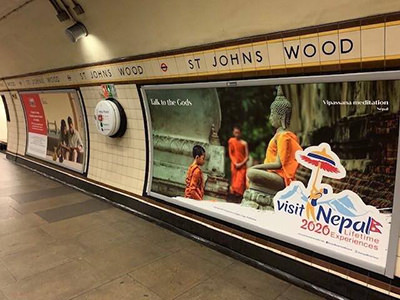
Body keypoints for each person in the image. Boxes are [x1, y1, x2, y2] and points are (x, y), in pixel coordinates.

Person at [228, 126, 249, 196]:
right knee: (234, 183)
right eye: (235, 132)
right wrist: (235, 163)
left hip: (242, 166)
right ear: (233, 133)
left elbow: (247, 157)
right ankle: (233, 198)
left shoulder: (244, 143)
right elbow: (231, 154)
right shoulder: (231, 141)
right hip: (234, 165)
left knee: (240, 183)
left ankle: (239, 197)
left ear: (241, 133)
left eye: (238, 133)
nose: (236, 134)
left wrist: (240, 164)